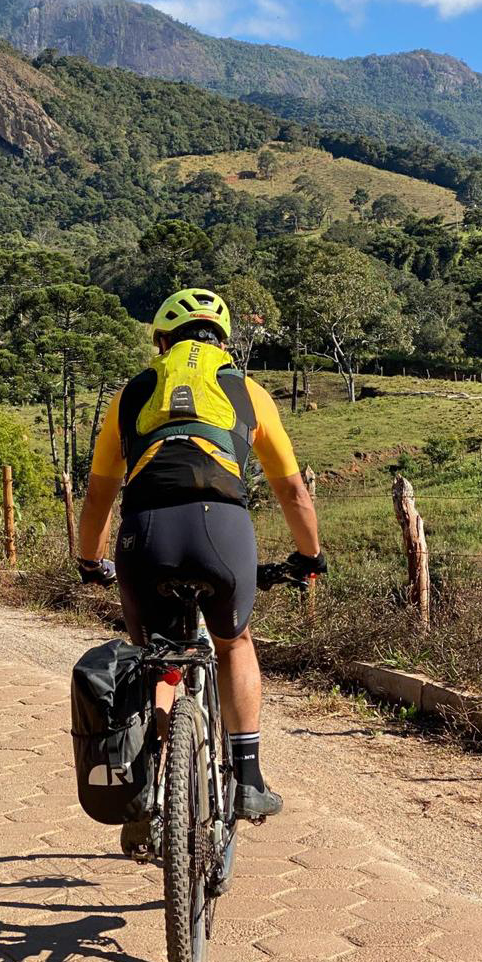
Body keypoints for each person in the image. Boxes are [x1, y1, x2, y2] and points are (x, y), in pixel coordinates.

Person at [77, 287, 324, 833]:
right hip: (222, 530)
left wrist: (89, 561)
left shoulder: (132, 393)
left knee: (155, 656)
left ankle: (151, 785)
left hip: (147, 534)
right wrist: (310, 556)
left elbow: (98, 497)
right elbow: (293, 493)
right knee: (234, 643)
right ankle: (249, 778)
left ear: (162, 343)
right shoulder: (248, 392)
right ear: (224, 344)